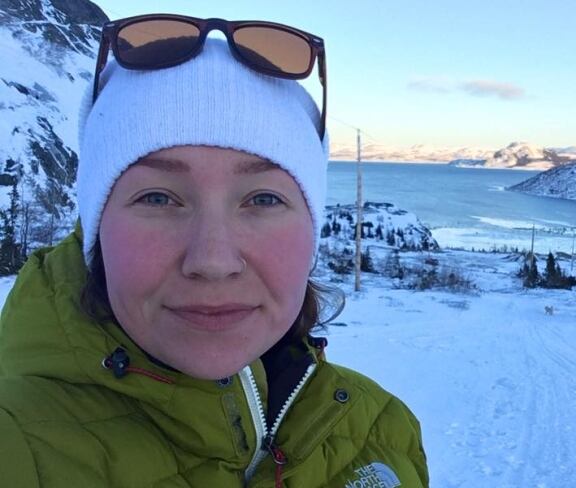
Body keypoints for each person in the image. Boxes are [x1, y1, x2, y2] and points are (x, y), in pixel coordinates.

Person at [0, 14, 428, 488]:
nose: (213, 261)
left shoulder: (379, 432)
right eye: (158, 198)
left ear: (312, 229)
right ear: (97, 231)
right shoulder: (17, 443)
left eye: (263, 199)